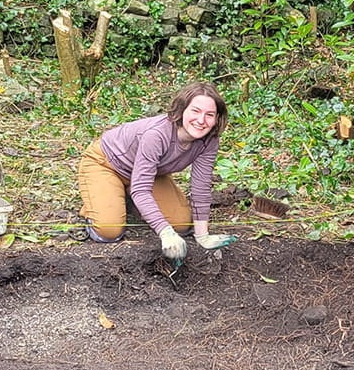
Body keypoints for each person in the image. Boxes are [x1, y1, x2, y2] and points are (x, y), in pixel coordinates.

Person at [78, 82, 236, 260]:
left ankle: (128, 200)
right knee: (109, 231)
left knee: (182, 225)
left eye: (209, 115)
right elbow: (141, 188)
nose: (201, 121)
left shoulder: (209, 141)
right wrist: (165, 232)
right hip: (106, 164)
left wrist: (202, 236)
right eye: (195, 111)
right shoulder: (157, 134)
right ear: (182, 109)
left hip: (149, 173)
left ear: (217, 118)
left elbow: (200, 187)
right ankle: (101, 201)